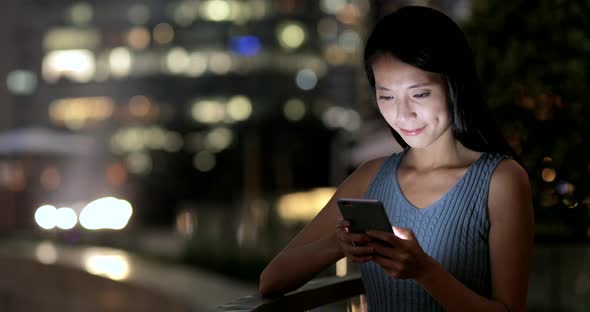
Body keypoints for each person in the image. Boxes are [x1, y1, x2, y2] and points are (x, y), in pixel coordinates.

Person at [259, 5, 534, 312]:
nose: (403, 114)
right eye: (387, 96)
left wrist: (425, 272)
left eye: (420, 94)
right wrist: (339, 245)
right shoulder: (369, 177)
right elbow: (272, 280)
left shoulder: (501, 181)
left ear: (455, 85)